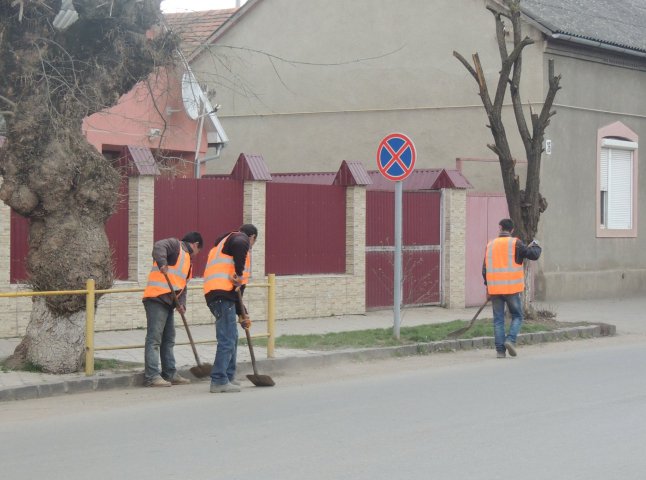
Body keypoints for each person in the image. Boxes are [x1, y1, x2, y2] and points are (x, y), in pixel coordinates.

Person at [142, 231, 203, 387]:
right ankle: (152, 376)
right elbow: (158, 246)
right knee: (155, 338)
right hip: (156, 298)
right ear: (195, 244)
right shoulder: (176, 245)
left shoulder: (188, 262)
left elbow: (182, 285)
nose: (197, 254)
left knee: (168, 340)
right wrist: (162, 263)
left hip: (169, 302)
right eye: (199, 250)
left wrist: (181, 304)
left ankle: (170, 373)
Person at [203, 224, 258, 393]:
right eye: (253, 242)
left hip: (219, 295)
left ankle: (228, 376)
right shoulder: (240, 238)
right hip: (222, 296)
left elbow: (237, 291)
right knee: (227, 338)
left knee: (232, 336)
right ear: (252, 237)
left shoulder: (221, 246)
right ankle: (219, 380)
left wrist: (242, 314)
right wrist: (240, 274)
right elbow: (241, 245)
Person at [482, 218, 541, 359]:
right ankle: (510, 340)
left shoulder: (490, 245)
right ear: (512, 230)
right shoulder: (516, 243)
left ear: (500, 228)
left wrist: (487, 288)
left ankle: (500, 351)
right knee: (517, 316)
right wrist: (536, 245)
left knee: (498, 320)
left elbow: (484, 270)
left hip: (495, 290)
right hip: (512, 288)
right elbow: (533, 255)